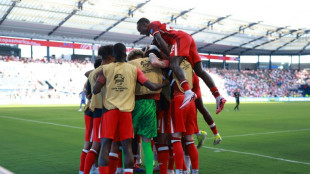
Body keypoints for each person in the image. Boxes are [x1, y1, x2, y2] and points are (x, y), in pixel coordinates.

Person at [93, 43, 169, 174]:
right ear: (125, 53)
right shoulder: (134, 69)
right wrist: (164, 84)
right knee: (128, 146)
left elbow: (95, 90)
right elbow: (151, 86)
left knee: (106, 145)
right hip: (127, 112)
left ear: (114, 55)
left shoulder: (105, 69)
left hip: (110, 112)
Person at [137, 18, 226, 114]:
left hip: (179, 38)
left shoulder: (152, 26)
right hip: (187, 38)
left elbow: (159, 39)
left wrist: (170, 57)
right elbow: (155, 43)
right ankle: (218, 96)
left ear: (144, 25)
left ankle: (188, 92)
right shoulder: (157, 31)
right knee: (199, 70)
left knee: (174, 63)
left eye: (140, 30)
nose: (140, 33)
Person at [128, 49, 164, 174]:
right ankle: (149, 171)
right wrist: (164, 84)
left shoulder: (130, 66)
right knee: (147, 142)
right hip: (151, 104)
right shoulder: (151, 63)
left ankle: (127, 170)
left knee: (127, 139)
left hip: (134, 105)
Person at [83, 45, 115, 174]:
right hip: (106, 111)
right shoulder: (110, 70)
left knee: (96, 145)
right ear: (111, 57)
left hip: (95, 111)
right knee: (108, 145)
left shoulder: (93, 72)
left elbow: (88, 93)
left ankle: (87, 170)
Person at [79, 58, 102, 174]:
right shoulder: (96, 75)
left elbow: (87, 92)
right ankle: (84, 170)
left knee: (94, 142)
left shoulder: (92, 75)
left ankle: (94, 167)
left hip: (91, 110)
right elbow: (88, 94)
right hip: (93, 110)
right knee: (91, 142)